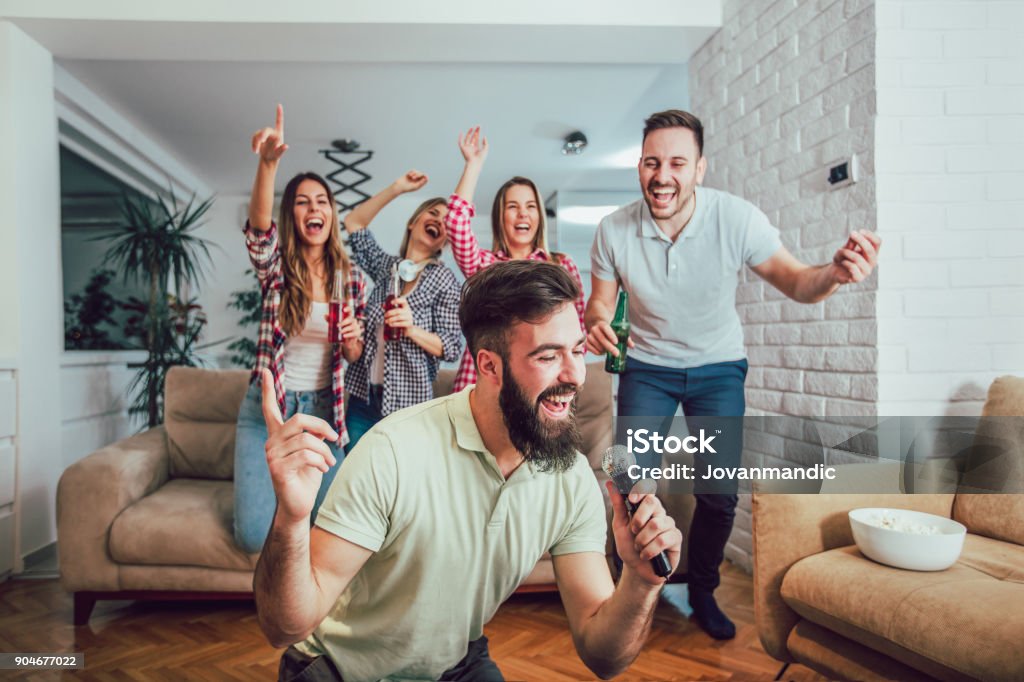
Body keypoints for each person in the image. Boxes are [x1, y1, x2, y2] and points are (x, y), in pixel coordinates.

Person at [254, 261, 683, 682]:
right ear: (489, 366)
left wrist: (640, 582)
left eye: (577, 351)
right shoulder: (394, 450)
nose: (574, 376)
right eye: (549, 356)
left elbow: (602, 657)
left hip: (451, 663)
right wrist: (290, 519)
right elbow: (285, 627)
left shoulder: (569, 477)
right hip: (341, 667)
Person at [585, 109, 881, 640]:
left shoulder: (736, 218)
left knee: (718, 493)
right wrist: (598, 324)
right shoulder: (613, 229)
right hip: (647, 371)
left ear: (700, 169)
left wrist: (834, 274)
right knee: (630, 483)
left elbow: (796, 281)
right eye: (652, 162)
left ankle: (702, 590)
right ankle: (631, 586)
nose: (663, 175)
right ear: (639, 168)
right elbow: (599, 306)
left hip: (717, 369)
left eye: (677, 162)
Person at [233, 104, 367, 554]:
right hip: (269, 410)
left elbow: (354, 355)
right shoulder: (276, 270)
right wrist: (268, 164)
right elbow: (258, 232)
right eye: (303, 202)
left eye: (322, 201)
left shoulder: (352, 279)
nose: (314, 208)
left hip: (325, 414)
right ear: (292, 215)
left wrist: (352, 342)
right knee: (251, 535)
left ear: (331, 213)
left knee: (333, 525)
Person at [444, 126, 586, 393]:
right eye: (513, 207)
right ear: (501, 217)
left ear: (540, 216)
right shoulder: (485, 268)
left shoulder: (561, 266)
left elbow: (578, 337)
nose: (523, 214)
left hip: (542, 387)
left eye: (530, 206)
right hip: (483, 386)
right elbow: (455, 222)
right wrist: (474, 165)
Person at [341, 169, 464, 450]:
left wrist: (410, 329)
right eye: (432, 212)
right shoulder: (387, 269)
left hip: (409, 406)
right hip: (363, 399)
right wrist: (397, 188)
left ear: (445, 241)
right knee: (355, 482)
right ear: (413, 223)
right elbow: (353, 222)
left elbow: (452, 347)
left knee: (399, 488)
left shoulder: (443, 279)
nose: (438, 221)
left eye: (446, 222)